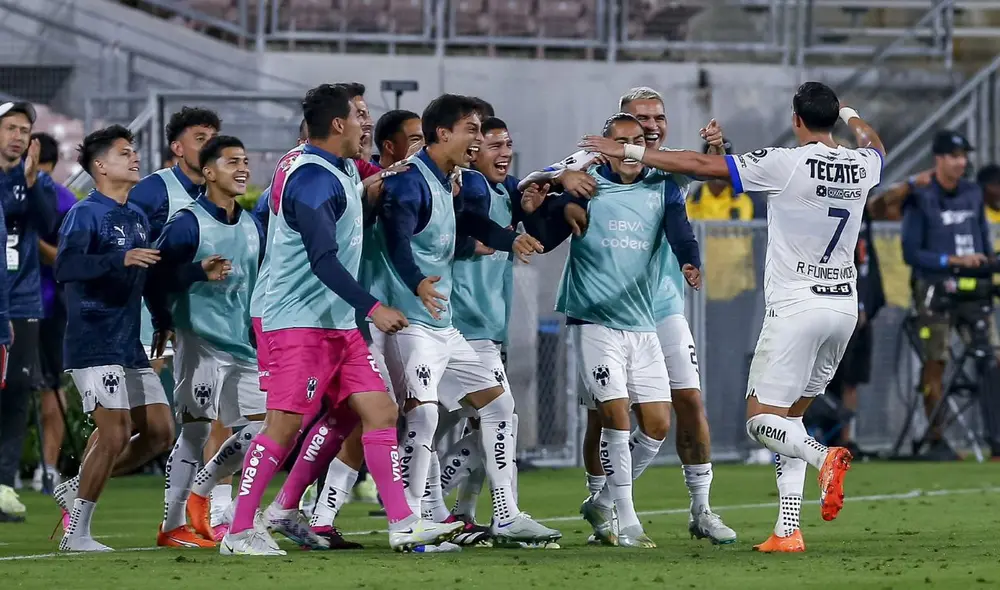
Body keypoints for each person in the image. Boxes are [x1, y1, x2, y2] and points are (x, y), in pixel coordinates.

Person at [580, 80, 885, 553]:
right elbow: (874, 142)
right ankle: (787, 530)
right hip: (844, 308)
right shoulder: (863, 164)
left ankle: (825, 456)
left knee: (761, 421)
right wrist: (850, 112)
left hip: (796, 309)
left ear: (796, 120)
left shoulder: (788, 161)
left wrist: (633, 153)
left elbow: (704, 165)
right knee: (790, 417)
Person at [222, 84, 461, 556]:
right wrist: (374, 306)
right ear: (338, 124)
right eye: (362, 115)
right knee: (283, 426)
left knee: (379, 412)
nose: (368, 124)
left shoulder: (339, 164)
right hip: (294, 322)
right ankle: (238, 531)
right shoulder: (313, 181)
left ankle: (402, 523)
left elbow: (388, 174)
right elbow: (323, 261)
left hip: (334, 322)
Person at [529, 86, 734, 544]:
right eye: (640, 120)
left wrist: (720, 149)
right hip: (599, 310)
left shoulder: (669, 171)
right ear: (618, 126)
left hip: (657, 308)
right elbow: (537, 185)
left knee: (686, 404)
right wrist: (560, 186)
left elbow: (715, 181)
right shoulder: (590, 167)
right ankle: (605, 503)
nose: (652, 126)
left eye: (658, 117)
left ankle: (700, 509)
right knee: (604, 416)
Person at [373, 93, 558, 547]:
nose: (479, 138)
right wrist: (416, 281)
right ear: (444, 133)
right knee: (422, 416)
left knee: (498, 405)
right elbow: (396, 241)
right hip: (408, 322)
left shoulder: (446, 180)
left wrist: (511, 238)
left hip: (443, 323)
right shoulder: (408, 181)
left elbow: (471, 222)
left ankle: (506, 514)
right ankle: (410, 521)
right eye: (472, 130)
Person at [418, 116, 550, 547]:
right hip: (459, 326)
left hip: (486, 331)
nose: (503, 152)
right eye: (492, 144)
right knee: (494, 415)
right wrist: (474, 243)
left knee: (461, 425)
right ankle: (491, 511)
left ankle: (456, 512)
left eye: (507, 143)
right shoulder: (471, 185)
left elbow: (537, 217)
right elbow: (453, 229)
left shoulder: (506, 192)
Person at [54, 125, 174, 551]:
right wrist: (117, 258)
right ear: (101, 166)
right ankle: (77, 532)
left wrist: (162, 319)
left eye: (134, 152)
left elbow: (148, 278)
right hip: (93, 339)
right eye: (125, 153)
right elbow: (66, 268)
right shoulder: (85, 214)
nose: (135, 158)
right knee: (116, 432)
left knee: (160, 431)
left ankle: (76, 484)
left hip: (129, 343)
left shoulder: (137, 217)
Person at [148, 135, 265, 548]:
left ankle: (206, 484)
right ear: (209, 171)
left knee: (267, 429)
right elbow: (154, 276)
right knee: (196, 430)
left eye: (245, 161)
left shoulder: (252, 225)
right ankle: (172, 526)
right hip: (199, 341)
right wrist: (196, 273)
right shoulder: (186, 222)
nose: (243, 168)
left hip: (243, 344)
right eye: (232, 161)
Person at [900, 130, 999, 460]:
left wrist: (986, 262)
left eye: (964, 156)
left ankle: (996, 437)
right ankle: (936, 437)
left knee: (992, 358)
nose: (962, 162)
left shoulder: (973, 193)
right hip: (934, 286)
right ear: (938, 160)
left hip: (975, 287)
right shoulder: (921, 197)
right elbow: (911, 253)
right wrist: (951, 261)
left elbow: (982, 236)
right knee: (936, 360)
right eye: (955, 156)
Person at [0, 101, 58, 522]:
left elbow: (48, 222)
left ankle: (4, 487)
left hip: (22, 302)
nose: (18, 137)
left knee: (18, 393)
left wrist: (34, 180)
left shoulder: (31, 180)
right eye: (9, 128)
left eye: (24, 130)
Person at [130, 107, 221, 371]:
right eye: (201, 138)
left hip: (203, 319)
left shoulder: (218, 191)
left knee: (207, 408)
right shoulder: (153, 190)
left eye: (214, 138)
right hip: (154, 320)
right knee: (149, 402)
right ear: (178, 148)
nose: (210, 146)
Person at [33, 131, 78, 494]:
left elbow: (65, 260)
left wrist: (32, 243)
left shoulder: (63, 201)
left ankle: (47, 468)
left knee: (51, 387)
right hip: (19, 305)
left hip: (49, 305)